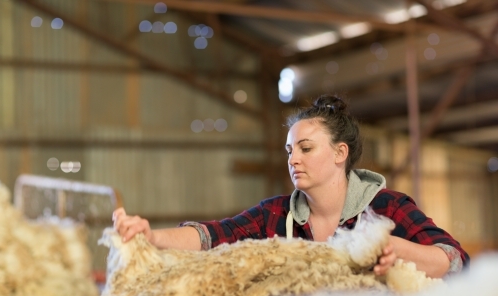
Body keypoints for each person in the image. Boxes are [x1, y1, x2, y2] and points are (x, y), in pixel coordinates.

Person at [113, 94, 469, 278]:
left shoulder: (387, 208)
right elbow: (214, 236)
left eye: (306, 148)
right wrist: (151, 237)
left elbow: (455, 260)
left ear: (339, 153)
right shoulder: (276, 215)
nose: (293, 159)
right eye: (289, 150)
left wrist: (395, 248)